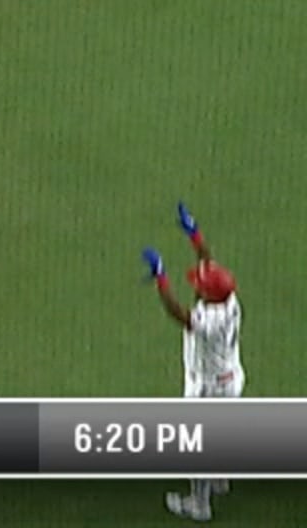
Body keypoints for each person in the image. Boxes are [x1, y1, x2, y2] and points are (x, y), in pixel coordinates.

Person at [150, 202, 241, 522]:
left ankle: (199, 504)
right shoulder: (229, 300)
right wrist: (195, 234)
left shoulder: (209, 320)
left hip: (207, 388)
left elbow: (177, 313)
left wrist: (161, 279)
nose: (196, 288)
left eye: (200, 288)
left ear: (208, 296)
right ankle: (221, 477)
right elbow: (207, 265)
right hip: (231, 380)